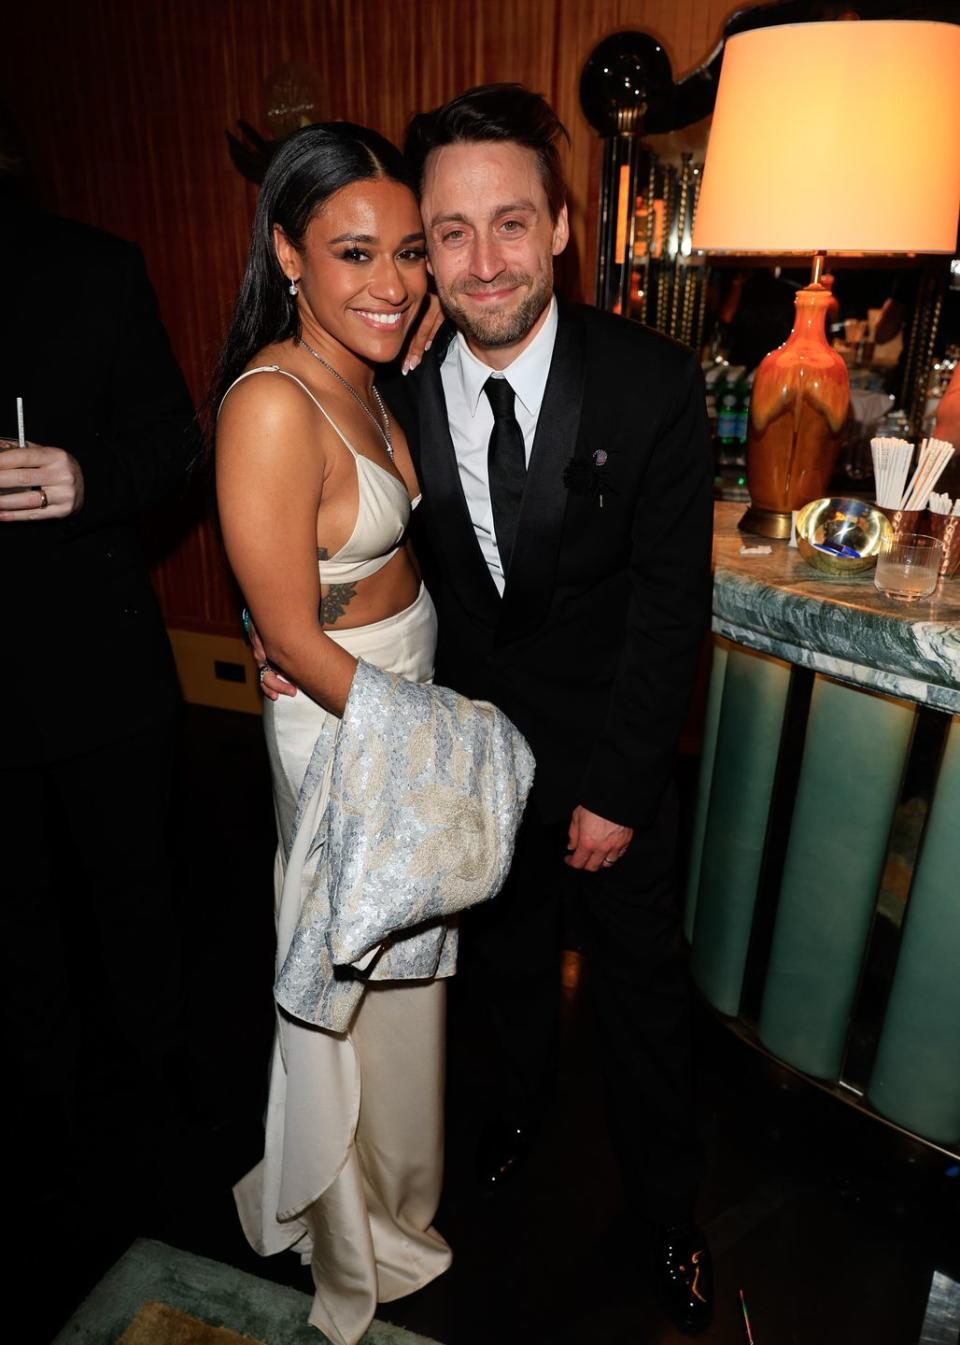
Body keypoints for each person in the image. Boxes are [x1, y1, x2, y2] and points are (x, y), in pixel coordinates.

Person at [260, 85, 716, 1335]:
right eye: (446, 234)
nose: (479, 261)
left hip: (611, 753)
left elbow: (674, 611)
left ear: (562, 227)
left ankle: (669, 1214)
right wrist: (289, 632)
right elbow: (336, 529)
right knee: (502, 959)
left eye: (509, 224)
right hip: (464, 752)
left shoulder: (654, 386)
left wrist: (619, 791)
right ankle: (512, 1117)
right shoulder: (392, 383)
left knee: (639, 997)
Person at [213, 123, 453, 1345]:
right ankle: (347, 1237)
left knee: (399, 974)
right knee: (343, 979)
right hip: (348, 718)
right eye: (354, 252)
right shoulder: (269, 402)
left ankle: (400, 1206)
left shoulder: (367, 359)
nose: (393, 282)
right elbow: (294, 637)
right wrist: (435, 743)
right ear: (288, 254)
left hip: (393, 694)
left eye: (407, 252)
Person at [0, 181, 199, 1327]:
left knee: (136, 889)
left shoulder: (91, 265)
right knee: (10, 909)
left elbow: (174, 442)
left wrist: (85, 479)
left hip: (97, 663)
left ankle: (165, 1060)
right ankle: (44, 1100)